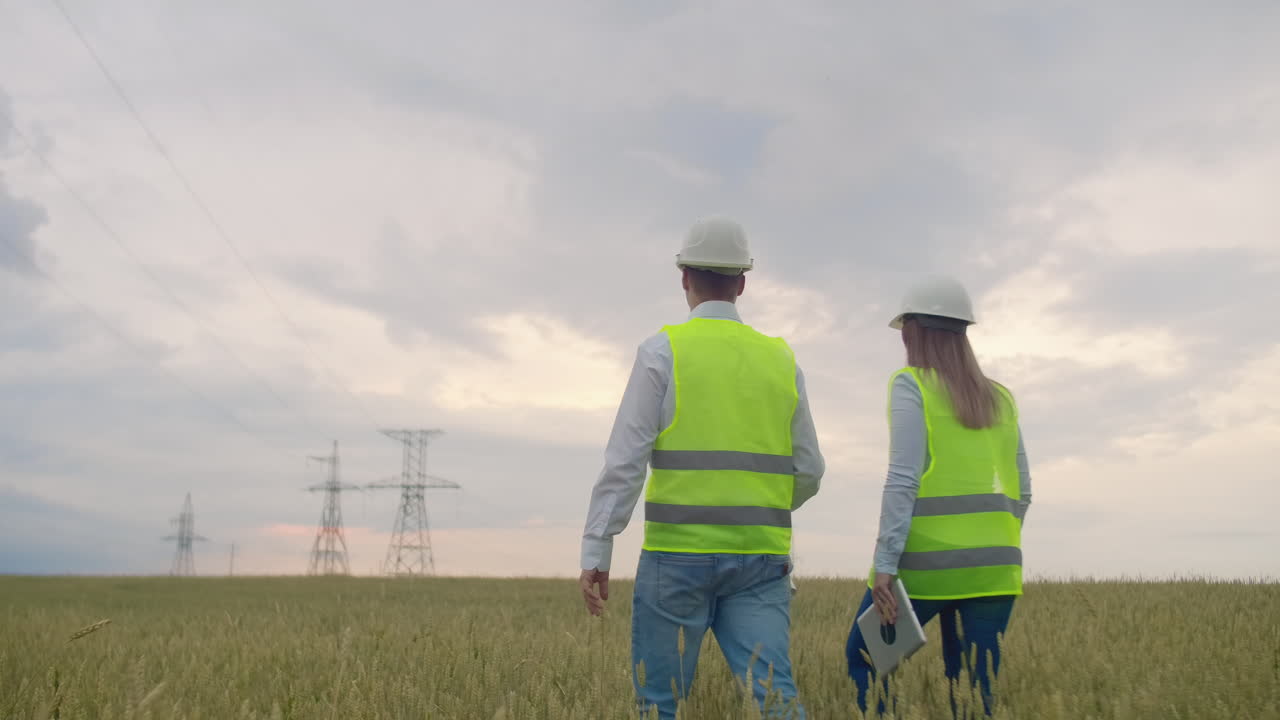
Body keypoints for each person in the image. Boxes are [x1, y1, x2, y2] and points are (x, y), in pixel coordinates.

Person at [578, 217, 824, 719]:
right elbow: (810, 469)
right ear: (742, 283)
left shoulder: (662, 351)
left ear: (684, 277)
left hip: (676, 557)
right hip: (761, 559)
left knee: (660, 704)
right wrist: (763, 503)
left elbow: (625, 462)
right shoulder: (781, 359)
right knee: (776, 700)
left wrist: (599, 546)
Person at [845, 276, 1032, 716]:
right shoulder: (1001, 398)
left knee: (865, 660)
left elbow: (903, 480)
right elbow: (1023, 490)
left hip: (924, 565)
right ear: (963, 333)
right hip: (995, 567)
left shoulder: (911, 385)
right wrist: (995, 540)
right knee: (972, 686)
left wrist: (886, 566)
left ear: (912, 331)